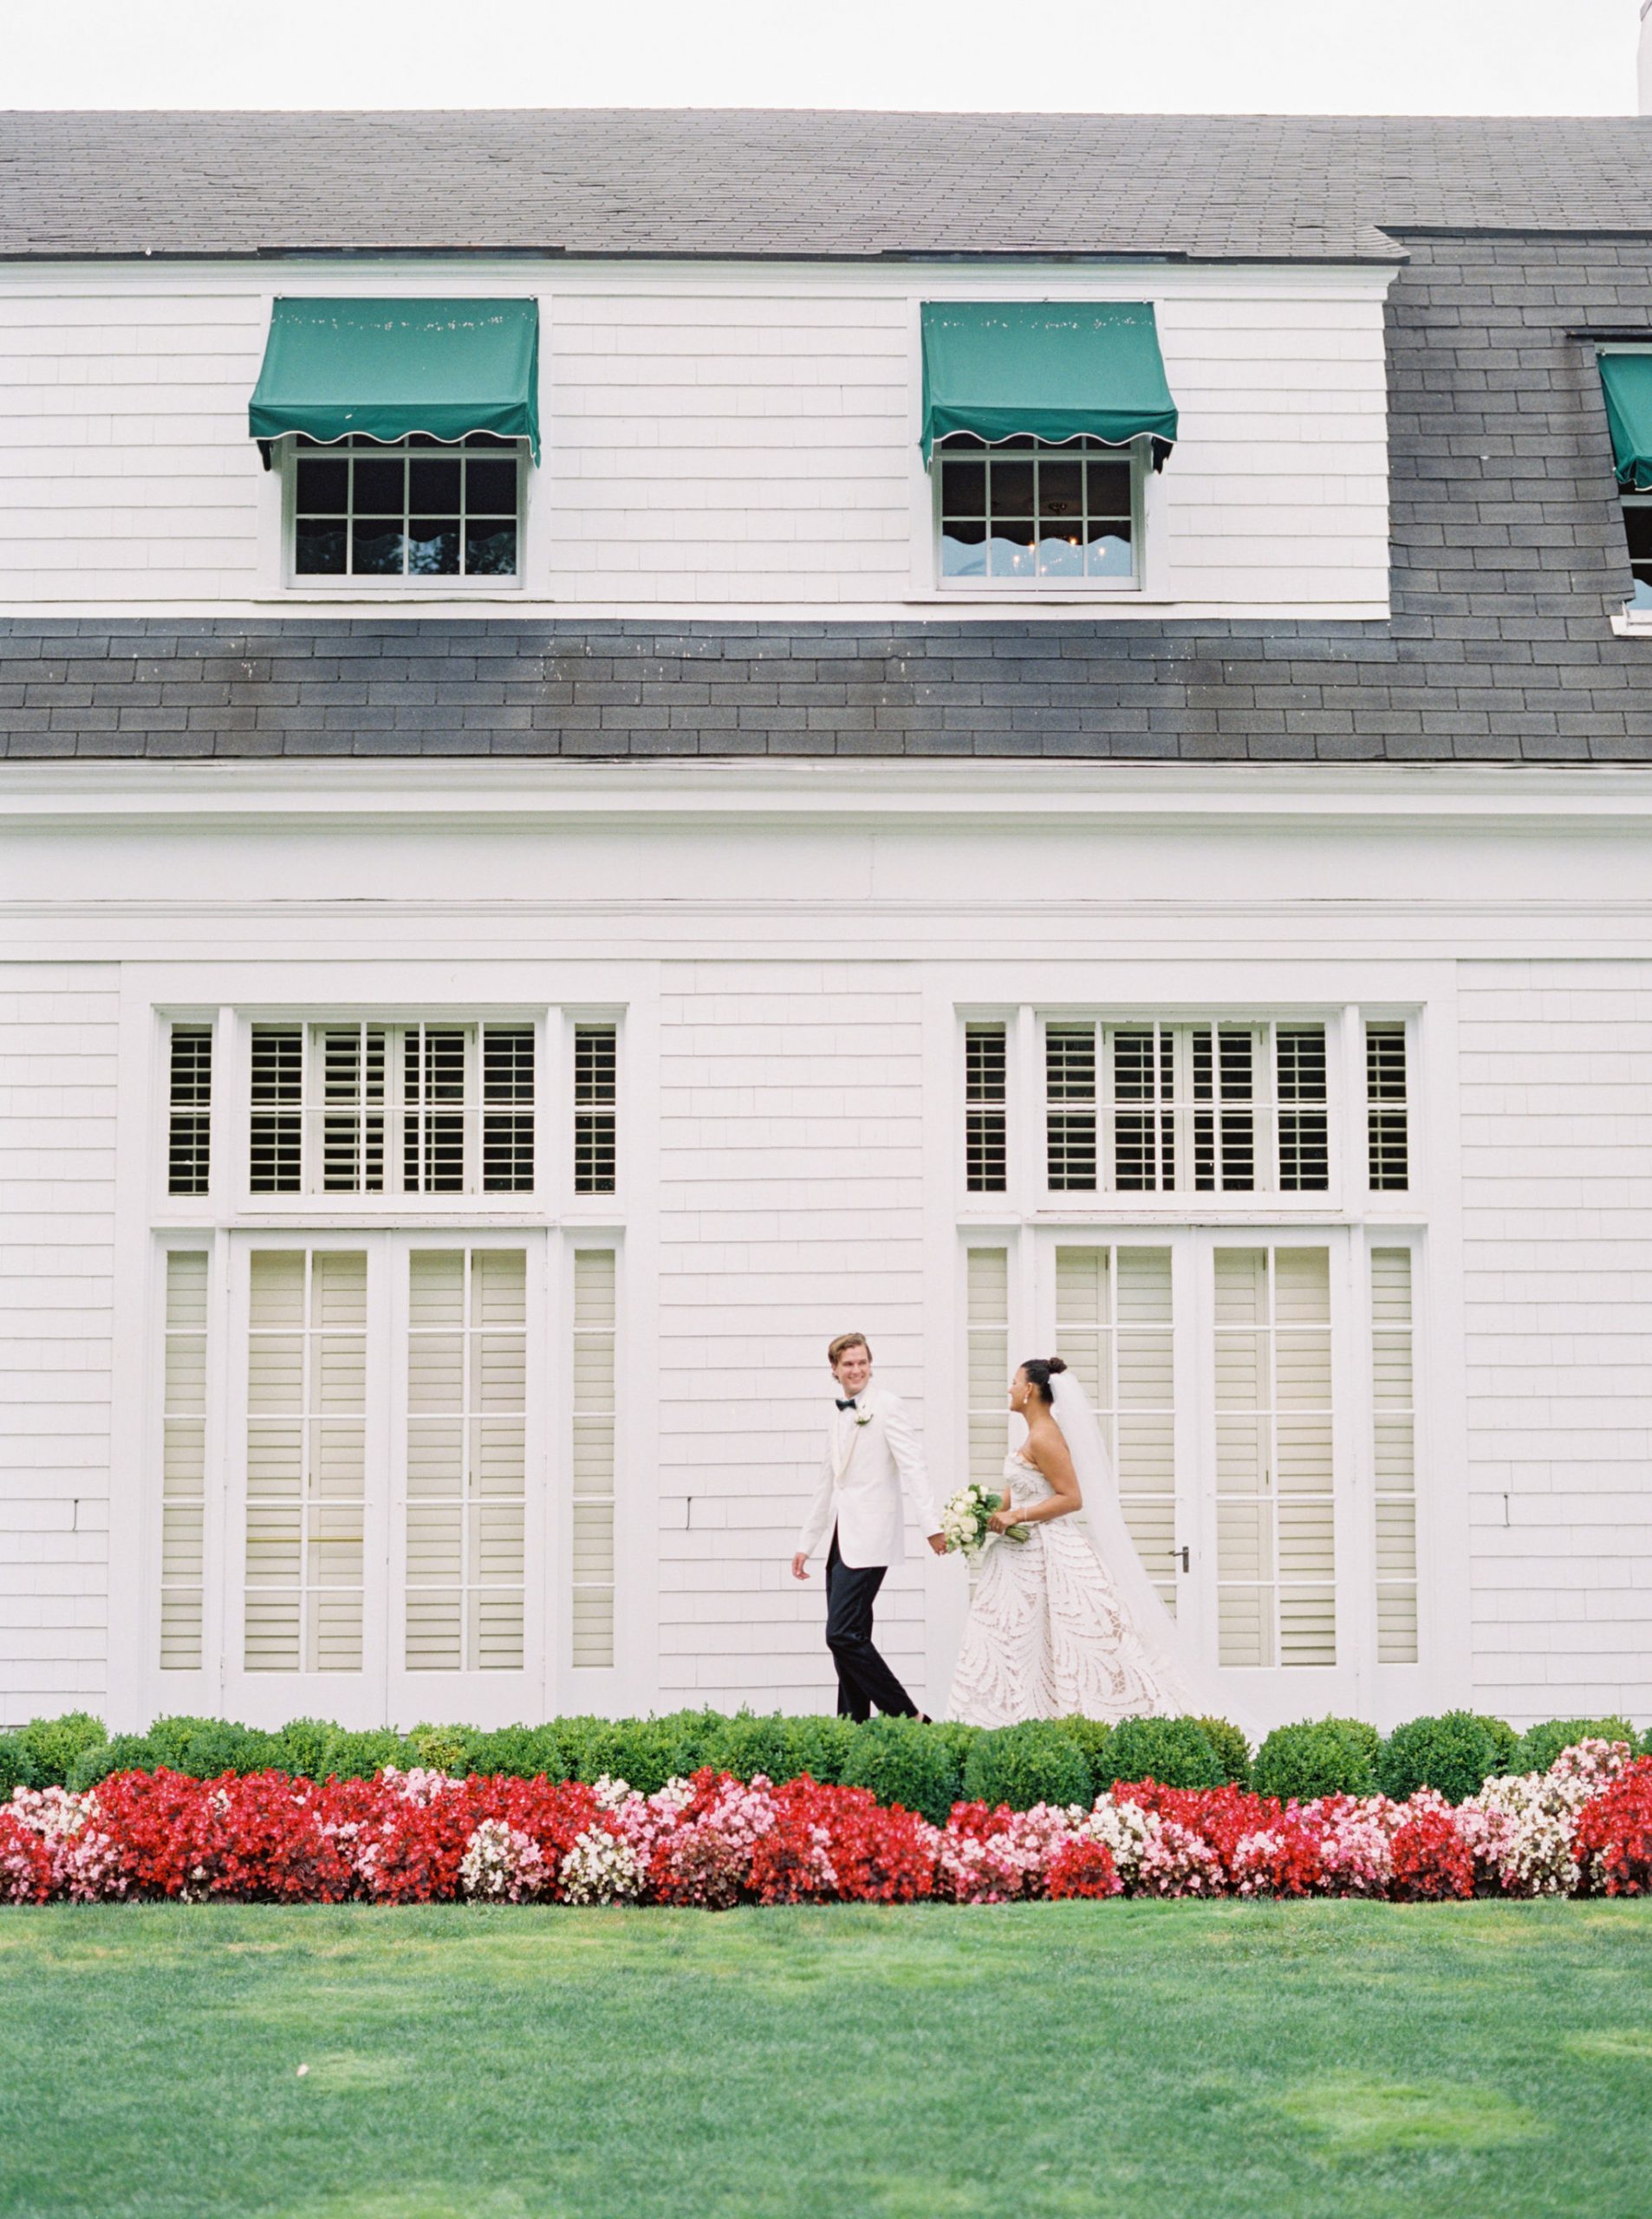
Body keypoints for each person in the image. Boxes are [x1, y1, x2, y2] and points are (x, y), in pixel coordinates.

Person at [946, 1357, 1239, 1729]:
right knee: (1016, 1644)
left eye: (1014, 1382)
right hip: (1017, 1560)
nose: (1010, 1388)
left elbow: (1071, 1498)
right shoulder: (1031, 1434)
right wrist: (971, 1518)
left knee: (1075, 1644)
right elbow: (1015, 1494)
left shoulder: (1045, 1436)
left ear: (1030, 1390)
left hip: (1047, 1552)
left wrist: (1016, 1517)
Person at [792, 1331, 946, 1721]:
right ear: (835, 1370)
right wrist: (806, 1544)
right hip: (841, 1541)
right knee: (850, 1639)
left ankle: (908, 1716)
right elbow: (826, 1483)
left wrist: (932, 1525)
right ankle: (852, 1726)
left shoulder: (888, 1406)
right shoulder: (837, 1416)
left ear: (870, 1364)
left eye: (862, 1362)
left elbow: (914, 1467)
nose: (856, 1369)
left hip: (873, 1538)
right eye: (848, 1364)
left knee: (841, 1633)